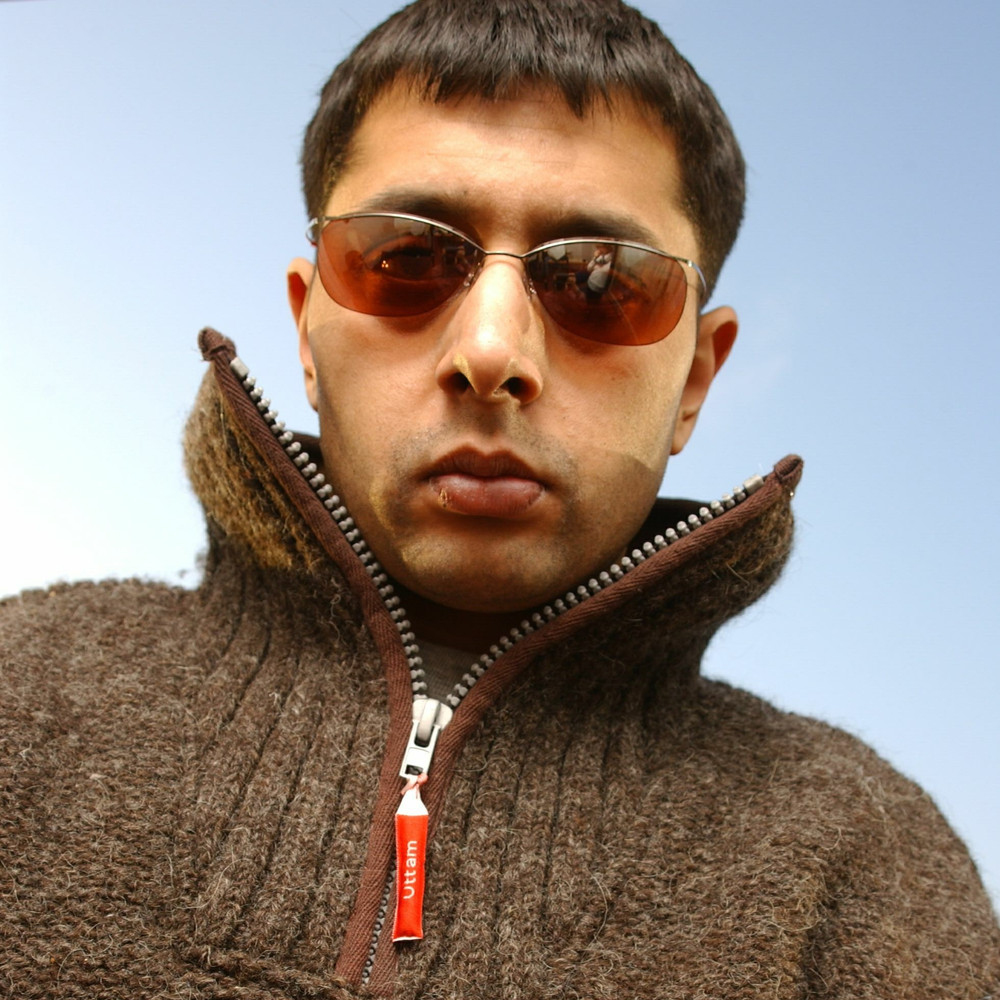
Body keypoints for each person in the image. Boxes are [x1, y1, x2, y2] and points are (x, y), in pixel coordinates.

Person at [1, 0, 997, 997]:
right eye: (407, 256)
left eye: (600, 282)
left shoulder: (865, 860)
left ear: (696, 376)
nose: (490, 351)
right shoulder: (25, 691)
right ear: (307, 331)